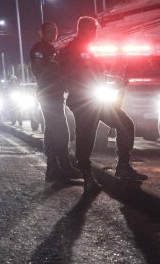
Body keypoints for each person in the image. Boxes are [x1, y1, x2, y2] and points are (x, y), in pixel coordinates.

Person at [58, 16, 147, 192]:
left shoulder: (87, 50)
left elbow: (95, 73)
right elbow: (70, 75)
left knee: (125, 124)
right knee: (86, 137)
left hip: (96, 100)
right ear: (83, 29)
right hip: (82, 101)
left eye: (95, 30)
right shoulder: (72, 49)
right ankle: (87, 175)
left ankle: (123, 165)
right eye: (93, 30)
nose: (95, 34)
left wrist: (115, 80)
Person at [28, 22, 81, 182]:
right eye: (50, 31)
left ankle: (53, 168)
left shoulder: (53, 49)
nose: (53, 33)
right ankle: (63, 166)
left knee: (52, 130)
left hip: (55, 93)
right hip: (48, 93)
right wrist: (56, 68)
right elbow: (39, 69)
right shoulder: (39, 48)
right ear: (41, 32)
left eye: (55, 31)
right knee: (61, 129)